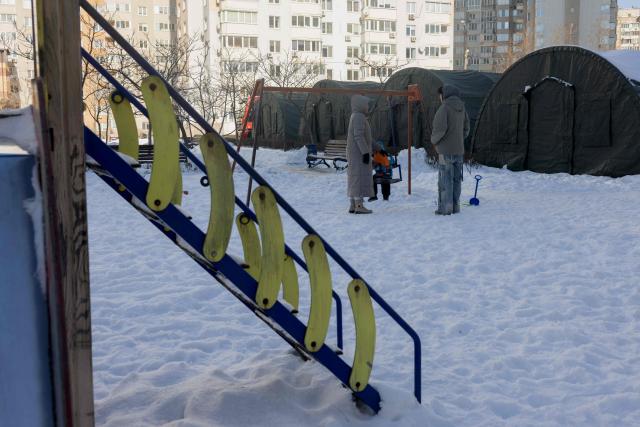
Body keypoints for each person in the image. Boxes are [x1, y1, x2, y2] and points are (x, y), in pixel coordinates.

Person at [431, 85, 470, 215]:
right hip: (459, 150)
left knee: (445, 180)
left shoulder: (444, 108)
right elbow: (466, 128)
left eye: (440, 95)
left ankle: (445, 208)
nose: (440, 98)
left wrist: (434, 141)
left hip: (445, 151)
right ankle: (455, 206)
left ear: (445, 94)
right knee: (456, 180)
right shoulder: (462, 108)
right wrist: (458, 139)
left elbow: (439, 130)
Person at [347, 95, 374, 214]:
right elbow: (359, 136)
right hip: (358, 153)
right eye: (366, 104)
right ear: (361, 105)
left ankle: (353, 204)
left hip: (354, 152)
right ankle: (359, 205)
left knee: (354, 177)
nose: (368, 107)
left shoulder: (355, 115)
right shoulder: (359, 116)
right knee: (359, 177)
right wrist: (365, 152)